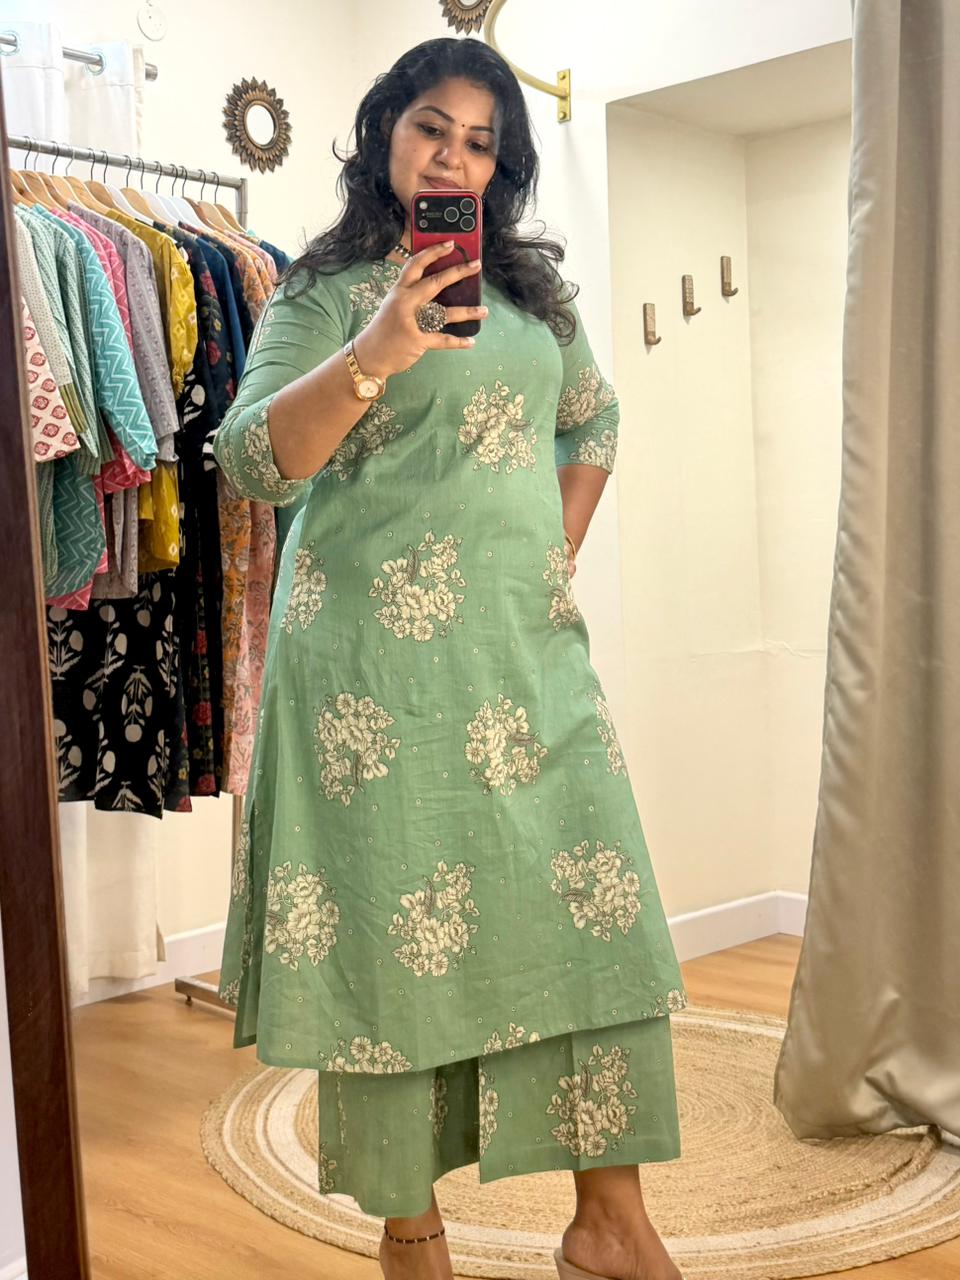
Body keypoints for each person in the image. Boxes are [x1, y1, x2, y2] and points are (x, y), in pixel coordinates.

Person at [212, 35, 687, 1280]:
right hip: (368, 684)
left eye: (481, 143)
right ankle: (410, 1231)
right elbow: (254, 463)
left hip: (528, 662)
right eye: (433, 127)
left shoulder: (533, 296)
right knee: (392, 932)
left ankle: (612, 1223)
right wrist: (378, 348)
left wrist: (551, 556)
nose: (452, 157)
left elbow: (594, 417)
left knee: (593, 911)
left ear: (501, 168)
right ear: (386, 131)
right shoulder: (320, 294)